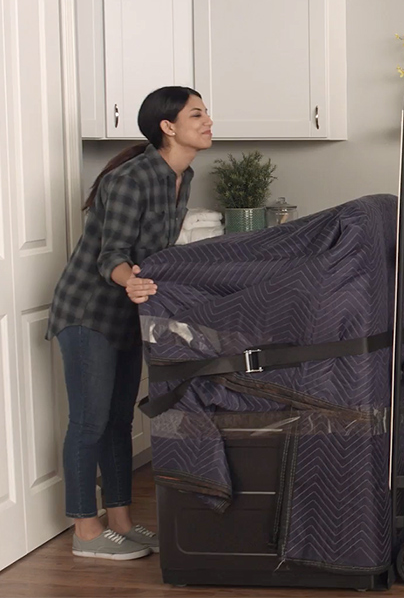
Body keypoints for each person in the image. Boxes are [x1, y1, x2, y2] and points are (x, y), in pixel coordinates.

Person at [46, 86, 213, 560]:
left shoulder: (183, 176)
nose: (207, 121)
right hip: (88, 313)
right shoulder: (131, 179)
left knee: (119, 421)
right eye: (196, 114)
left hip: (127, 314)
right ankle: (85, 530)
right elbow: (111, 256)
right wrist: (131, 282)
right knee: (89, 423)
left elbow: (157, 251)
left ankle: (119, 521)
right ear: (168, 126)